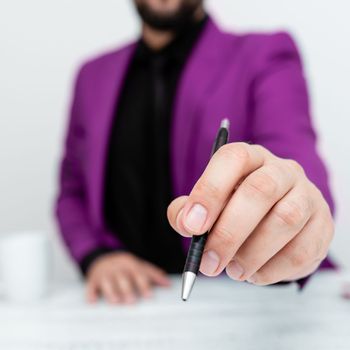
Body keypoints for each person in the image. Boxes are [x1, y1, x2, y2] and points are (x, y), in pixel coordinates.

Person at [56, 0, 336, 305]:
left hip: (244, 301)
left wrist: (298, 211)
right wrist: (96, 256)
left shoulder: (264, 55)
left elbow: (298, 167)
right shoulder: (92, 75)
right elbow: (72, 191)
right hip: (129, 305)